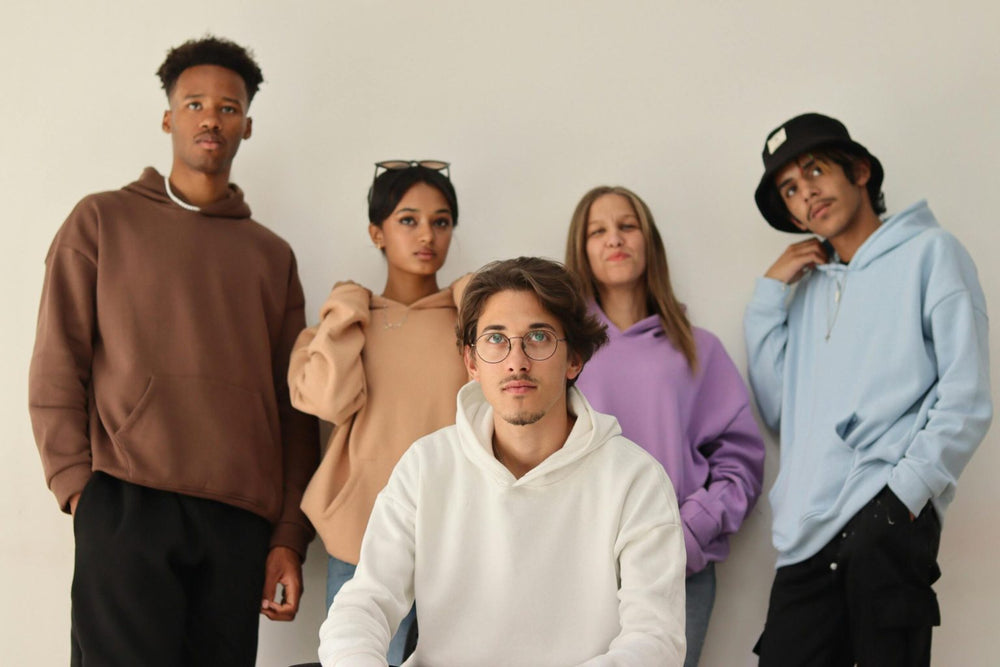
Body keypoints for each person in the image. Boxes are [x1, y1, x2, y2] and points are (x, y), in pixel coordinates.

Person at [27, 36, 319, 666]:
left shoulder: (272, 256)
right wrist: (79, 489)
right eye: (194, 104)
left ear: (246, 124)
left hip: (239, 519)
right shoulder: (101, 220)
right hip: (127, 501)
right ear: (168, 117)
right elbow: (58, 361)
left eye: (227, 106)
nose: (210, 117)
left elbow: (293, 405)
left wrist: (290, 534)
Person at [317, 256, 687, 666]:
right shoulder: (427, 466)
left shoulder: (636, 479)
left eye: (539, 337)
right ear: (471, 362)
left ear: (575, 359)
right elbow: (362, 605)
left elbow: (655, 640)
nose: (516, 361)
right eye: (496, 339)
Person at [744, 112, 992, 666]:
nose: (806, 192)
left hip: (885, 522)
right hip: (804, 539)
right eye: (790, 188)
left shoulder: (932, 253)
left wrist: (903, 496)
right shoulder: (806, 293)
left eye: (815, 170)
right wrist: (768, 296)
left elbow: (967, 395)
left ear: (858, 171)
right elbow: (780, 408)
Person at [565, 186, 765, 667]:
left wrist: (689, 533)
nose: (614, 238)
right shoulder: (562, 349)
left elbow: (741, 460)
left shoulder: (698, 349)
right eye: (598, 230)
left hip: (679, 569)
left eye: (627, 226)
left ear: (649, 240)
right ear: (582, 249)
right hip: (579, 566)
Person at [289, 161, 469, 663]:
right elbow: (324, 401)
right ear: (377, 232)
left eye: (441, 221)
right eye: (407, 220)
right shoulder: (345, 323)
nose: (427, 234)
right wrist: (347, 310)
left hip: (459, 538)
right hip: (363, 540)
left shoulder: (471, 324)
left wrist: (476, 297)